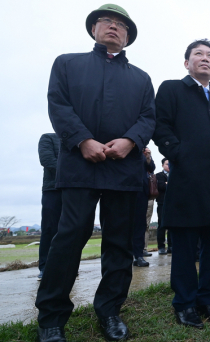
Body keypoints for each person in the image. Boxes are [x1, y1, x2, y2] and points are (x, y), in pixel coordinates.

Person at [35, 4, 155, 342]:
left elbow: (148, 117)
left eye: (121, 25)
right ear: (93, 29)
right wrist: (83, 140)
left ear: (129, 36)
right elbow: (57, 104)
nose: (114, 27)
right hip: (79, 165)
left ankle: (110, 310)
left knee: (118, 243)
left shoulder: (141, 78)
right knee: (69, 238)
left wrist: (131, 141)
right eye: (107, 21)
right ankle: (52, 316)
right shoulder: (67, 63)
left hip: (123, 169)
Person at [153, 39, 210, 329]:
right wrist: (179, 154)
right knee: (186, 247)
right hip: (187, 182)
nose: (205, 59)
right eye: (198, 54)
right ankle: (185, 303)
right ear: (186, 62)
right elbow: (160, 125)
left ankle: (206, 300)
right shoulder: (171, 89)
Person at [37, 133, 62, 281]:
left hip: (73, 191)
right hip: (52, 189)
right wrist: (70, 175)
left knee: (71, 229)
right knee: (49, 228)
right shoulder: (48, 138)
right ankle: (45, 267)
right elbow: (47, 160)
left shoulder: (79, 142)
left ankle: (67, 266)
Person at [133, 147, 155, 267]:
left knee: (140, 224)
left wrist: (148, 157)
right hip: (124, 188)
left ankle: (138, 255)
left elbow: (151, 168)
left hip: (141, 190)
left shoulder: (143, 153)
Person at [156, 158, 171, 255]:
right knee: (161, 225)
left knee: (172, 226)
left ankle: (171, 246)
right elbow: (161, 186)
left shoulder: (175, 174)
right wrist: (168, 184)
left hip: (173, 203)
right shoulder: (158, 175)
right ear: (162, 165)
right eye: (166, 164)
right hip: (162, 203)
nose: (168, 166)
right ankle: (161, 246)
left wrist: (167, 184)